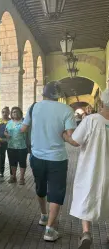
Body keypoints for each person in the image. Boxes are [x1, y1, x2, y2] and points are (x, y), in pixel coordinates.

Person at [21, 81, 77, 242]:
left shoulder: (34, 107)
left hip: (37, 156)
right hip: (57, 158)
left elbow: (23, 129)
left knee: (40, 187)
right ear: (59, 96)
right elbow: (71, 136)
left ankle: (43, 215)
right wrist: (63, 135)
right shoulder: (67, 109)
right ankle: (50, 230)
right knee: (56, 192)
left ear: (43, 93)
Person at [63, 89, 109, 249]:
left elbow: (75, 141)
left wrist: (65, 136)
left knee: (87, 196)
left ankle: (86, 233)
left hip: (92, 169)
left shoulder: (92, 120)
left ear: (102, 103)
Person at [5, 107, 27, 185]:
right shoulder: (9, 122)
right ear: (11, 114)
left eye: (17, 112)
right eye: (13, 112)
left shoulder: (24, 122)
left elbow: (28, 133)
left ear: (20, 113)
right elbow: (5, 131)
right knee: (12, 162)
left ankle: (22, 178)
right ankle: (13, 177)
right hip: (11, 146)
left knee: (22, 162)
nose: (15, 113)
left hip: (22, 146)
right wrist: (6, 134)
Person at [0, 107, 10, 178]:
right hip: (1, 142)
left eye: (6, 112)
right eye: (3, 112)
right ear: (1, 113)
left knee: (11, 158)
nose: (5, 114)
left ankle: (12, 174)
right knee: (1, 157)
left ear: (9, 113)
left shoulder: (11, 121)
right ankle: (1, 172)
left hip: (9, 142)